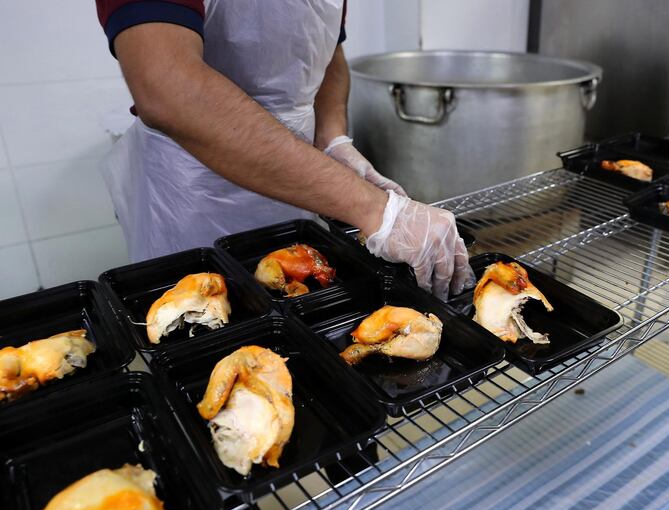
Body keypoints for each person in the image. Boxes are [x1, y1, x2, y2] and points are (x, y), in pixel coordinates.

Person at [94, 0, 473, 300]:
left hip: (300, 176)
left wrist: (333, 139)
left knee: (299, 307)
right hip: (194, 192)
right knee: (206, 313)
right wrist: (374, 208)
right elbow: (168, 87)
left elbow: (328, 55)